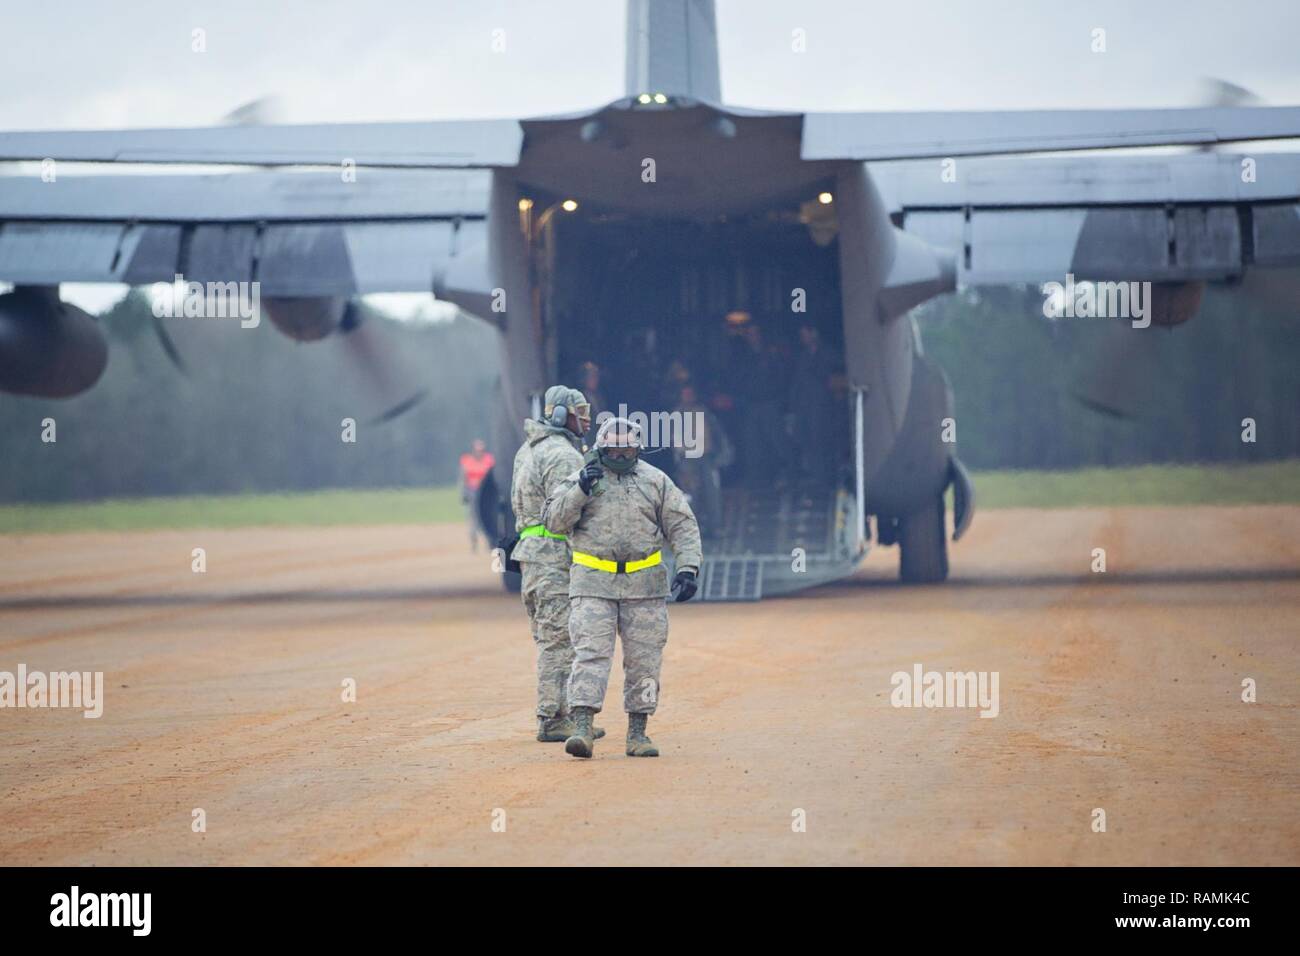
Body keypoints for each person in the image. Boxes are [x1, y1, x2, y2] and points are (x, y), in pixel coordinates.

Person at [542, 417, 703, 759]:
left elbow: (682, 525)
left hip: (644, 586)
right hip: (592, 584)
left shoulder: (655, 481)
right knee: (590, 657)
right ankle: (582, 728)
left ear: (638, 447)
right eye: (612, 446)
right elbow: (554, 521)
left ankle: (638, 733)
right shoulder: (582, 480)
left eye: (626, 445)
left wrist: (688, 567)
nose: (619, 451)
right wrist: (580, 491)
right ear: (600, 447)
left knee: (644, 661)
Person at [508, 386, 607, 743]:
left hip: (532, 554)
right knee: (559, 639)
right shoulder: (564, 455)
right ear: (562, 415)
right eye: (581, 411)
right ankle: (552, 719)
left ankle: (562, 714)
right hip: (553, 557)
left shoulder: (528, 449)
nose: (587, 418)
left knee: (552, 636)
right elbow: (567, 512)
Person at [672, 384, 731, 533]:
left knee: (712, 493)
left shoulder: (704, 412)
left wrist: (721, 454)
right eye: (685, 394)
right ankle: (693, 530)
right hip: (688, 459)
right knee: (692, 495)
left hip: (706, 457)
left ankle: (714, 527)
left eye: (690, 394)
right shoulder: (677, 414)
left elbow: (717, 432)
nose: (688, 397)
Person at [458, 439, 495, 552]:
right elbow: (463, 478)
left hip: (486, 494)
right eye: (478, 450)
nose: (480, 452)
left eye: (482, 450)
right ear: (473, 450)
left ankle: (490, 542)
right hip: (472, 493)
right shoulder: (467, 461)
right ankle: (474, 544)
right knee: (473, 519)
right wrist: (463, 493)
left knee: (488, 518)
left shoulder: (489, 460)